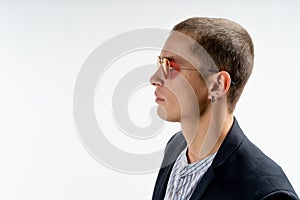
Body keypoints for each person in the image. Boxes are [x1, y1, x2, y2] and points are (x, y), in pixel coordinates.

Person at [150, 17, 298, 200]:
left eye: (170, 66)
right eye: (160, 62)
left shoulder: (267, 193)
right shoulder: (175, 147)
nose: (154, 78)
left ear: (217, 85)